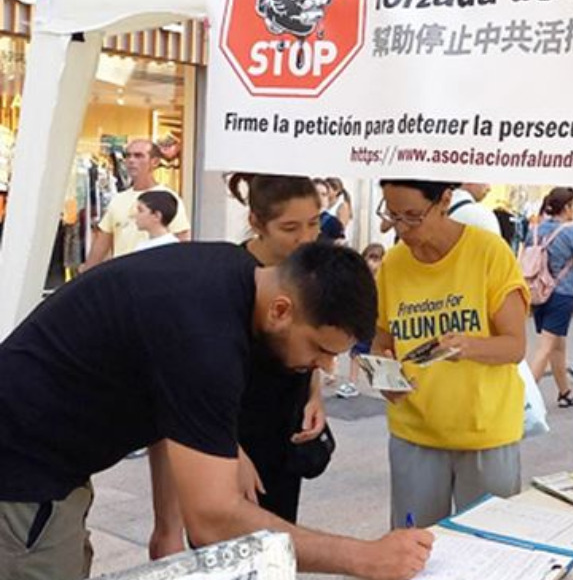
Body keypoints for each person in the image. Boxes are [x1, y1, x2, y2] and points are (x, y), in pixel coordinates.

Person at [0, 242, 433, 580]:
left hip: (54, 464)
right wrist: (364, 557)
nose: (324, 366)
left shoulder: (233, 275)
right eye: (320, 349)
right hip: (22, 471)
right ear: (282, 310)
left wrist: (168, 524)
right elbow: (212, 519)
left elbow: (166, 405)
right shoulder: (206, 339)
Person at [151, 173, 324, 542]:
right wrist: (229, 447)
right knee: (223, 543)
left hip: (283, 431)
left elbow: (314, 345)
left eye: (314, 223)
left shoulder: (308, 274)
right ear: (256, 223)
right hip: (224, 429)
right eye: (290, 227)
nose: (306, 238)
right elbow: (185, 382)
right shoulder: (228, 279)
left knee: (277, 539)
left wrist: (314, 395)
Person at [373, 180, 529, 530]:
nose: (401, 228)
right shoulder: (393, 264)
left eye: (413, 216)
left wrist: (468, 346)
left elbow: (515, 346)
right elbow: (381, 341)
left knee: (489, 550)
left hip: (486, 433)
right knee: (416, 551)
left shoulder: (489, 253)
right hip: (415, 432)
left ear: (444, 200)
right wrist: (384, 376)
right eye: (392, 215)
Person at [526, 188, 573, 408]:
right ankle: (521, 400)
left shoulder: (535, 230)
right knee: (545, 348)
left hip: (538, 293)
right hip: (561, 295)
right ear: (565, 207)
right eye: (572, 205)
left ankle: (564, 392)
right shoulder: (572, 232)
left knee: (557, 345)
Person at [82, 139, 190, 270]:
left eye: (138, 156)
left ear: (154, 162)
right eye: (128, 155)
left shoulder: (168, 198)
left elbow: (181, 240)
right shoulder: (118, 200)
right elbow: (102, 242)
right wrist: (87, 272)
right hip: (123, 276)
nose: (131, 160)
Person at [342, 243, 387, 399]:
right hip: (364, 322)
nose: (372, 264)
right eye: (370, 259)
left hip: (379, 324)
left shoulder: (384, 281)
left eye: (377, 260)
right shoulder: (361, 280)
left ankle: (380, 381)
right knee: (356, 353)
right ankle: (352, 382)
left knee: (376, 354)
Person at [314, 178, 345, 244]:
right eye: (316, 193)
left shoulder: (333, 222)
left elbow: (340, 245)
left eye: (323, 194)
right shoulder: (300, 218)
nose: (319, 198)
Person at [325, 177, 353, 242]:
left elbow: (341, 227)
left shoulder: (342, 206)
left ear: (336, 191)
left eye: (328, 188)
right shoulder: (325, 205)